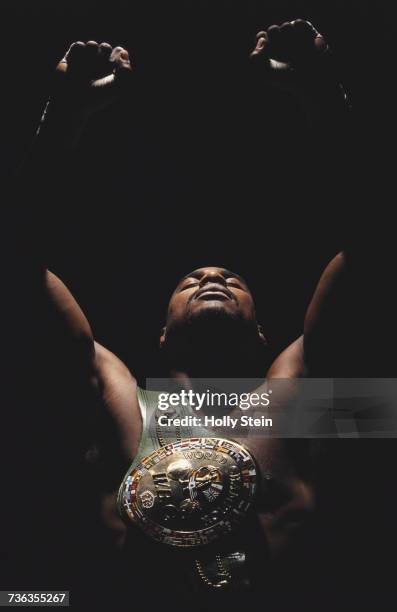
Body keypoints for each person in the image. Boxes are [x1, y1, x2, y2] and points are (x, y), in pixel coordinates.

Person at [3, 19, 349, 609]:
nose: (211, 277)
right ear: (161, 336)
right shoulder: (113, 395)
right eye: (192, 280)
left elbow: (375, 243)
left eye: (230, 280)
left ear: (264, 333)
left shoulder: (300, 396)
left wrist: (323, 96)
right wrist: (63, 116)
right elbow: (15, 262)